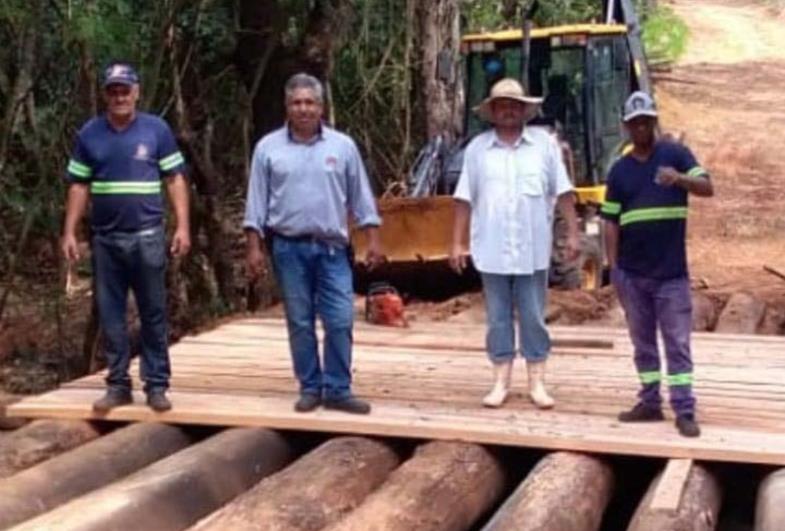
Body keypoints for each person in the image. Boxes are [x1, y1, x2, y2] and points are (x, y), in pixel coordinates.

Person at [244, 72, 383, 415]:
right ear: (287, 107)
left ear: (321, 107)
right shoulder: (268, 149)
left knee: (340, 319)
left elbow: (361, 196)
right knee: (300, 321)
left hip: (333, 248)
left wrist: (373, 239)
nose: (303, 109)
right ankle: (310, 386)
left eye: (310, 102)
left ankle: (337, 387)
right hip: (288, 249)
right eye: (296, 102)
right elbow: (256, 203)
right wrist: (254, 247)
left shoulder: (342, 147)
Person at [62, 62, 190, 413]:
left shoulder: (156, 130)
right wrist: (70, 231)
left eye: (125, 89)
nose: (119, 96)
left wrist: (182, 226)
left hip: (147, 236)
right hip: (106, 239)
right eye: (113, 90)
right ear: (106, 95)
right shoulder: (90, 134)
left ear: (136, 92)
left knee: (153, 311)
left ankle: (157, 384)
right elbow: (78, 184)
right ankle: (117, 383)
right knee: (111, 314)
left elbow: (175, 179)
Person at [449, 78, 579, 409]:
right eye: (502, 105)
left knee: (534, 315)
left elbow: (562, 191)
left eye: (514, 105)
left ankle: (537, 382)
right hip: (491, 248)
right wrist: (455, 243)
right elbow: (464, 198)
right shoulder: (478, 149)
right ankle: (500, 381)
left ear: (524, 110)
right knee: (497, 317)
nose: (508, 111)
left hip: (532, 249)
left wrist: (574, 234)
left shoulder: (544, 145)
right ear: (492, 112)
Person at [601, 91, 713, 438]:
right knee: (643, 342)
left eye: (646, 122)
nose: (640, 128)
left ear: (654, 122)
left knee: (677, 341)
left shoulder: (675, 154)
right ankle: (649, 401)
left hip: (671, 275)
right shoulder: (619, 172)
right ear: (626, 127)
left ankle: (684, 408)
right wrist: (614, 268)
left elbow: (707, 187)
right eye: (634, 124)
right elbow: (610, 222)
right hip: (633, 275)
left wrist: (678, 179)